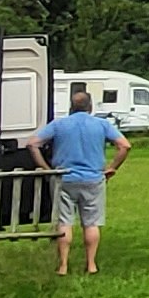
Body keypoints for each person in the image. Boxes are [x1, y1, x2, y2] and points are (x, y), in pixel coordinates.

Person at [31, 83, 131, 274]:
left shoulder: (59, 124)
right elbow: (125, 146)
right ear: (90, 106)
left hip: (63, 179)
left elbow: (33, 143)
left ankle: (63, 266)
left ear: (71, 106)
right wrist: (112, 168)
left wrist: (46, 169)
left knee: (64, 222)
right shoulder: (101, 124)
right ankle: (91, 264)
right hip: (93, 179)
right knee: (91, 223)